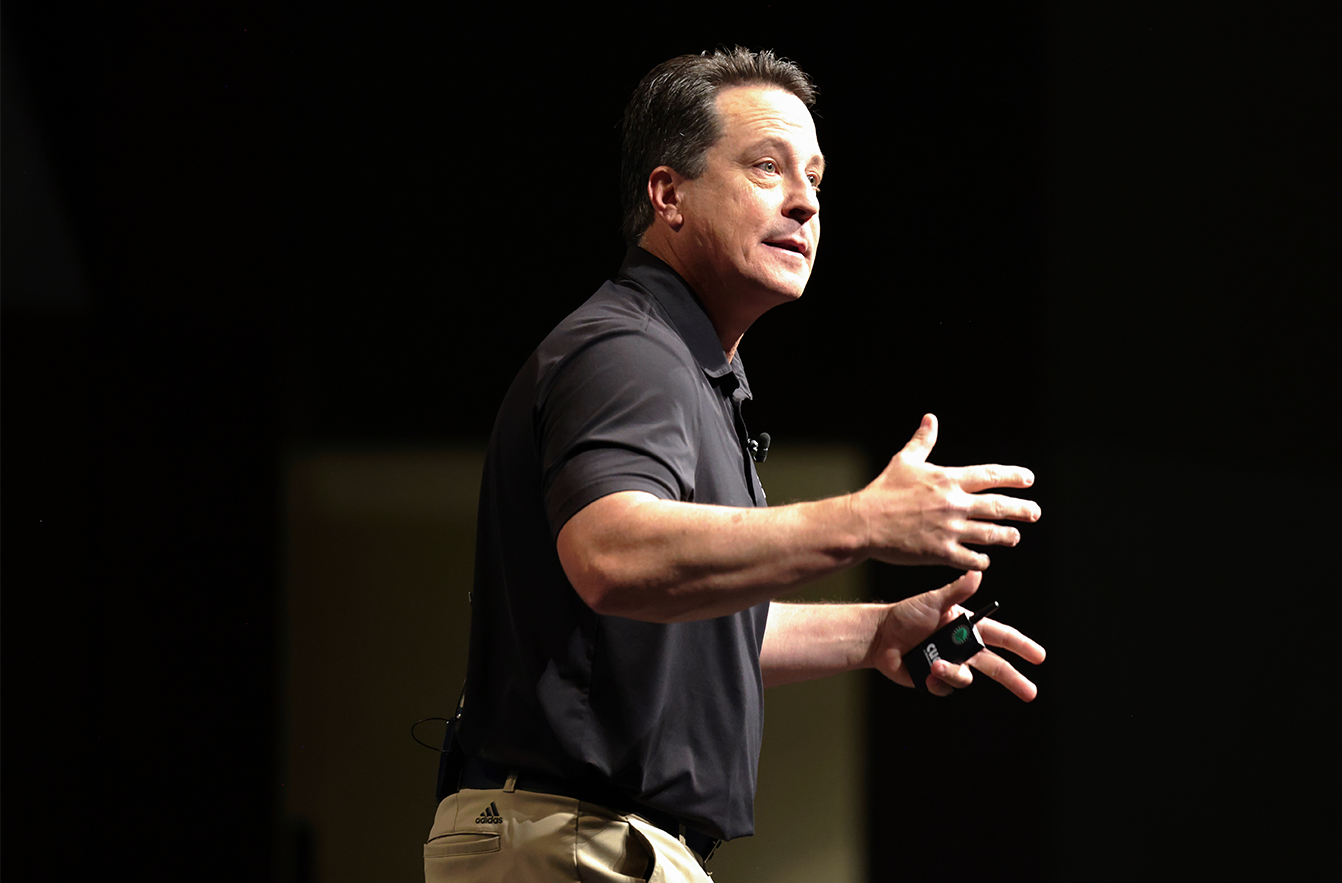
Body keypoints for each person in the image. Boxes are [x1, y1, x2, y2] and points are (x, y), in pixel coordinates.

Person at [423, 46, 1046, 883]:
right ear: (668, 194)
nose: (805, 201)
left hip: (592, 841)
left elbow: (683, 625)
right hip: (575, 840)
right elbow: (613, 556)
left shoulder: (690, 369)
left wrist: (872, 633)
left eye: (817, 179)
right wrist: (864, 519)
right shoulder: (627, 353)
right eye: (766, 167)